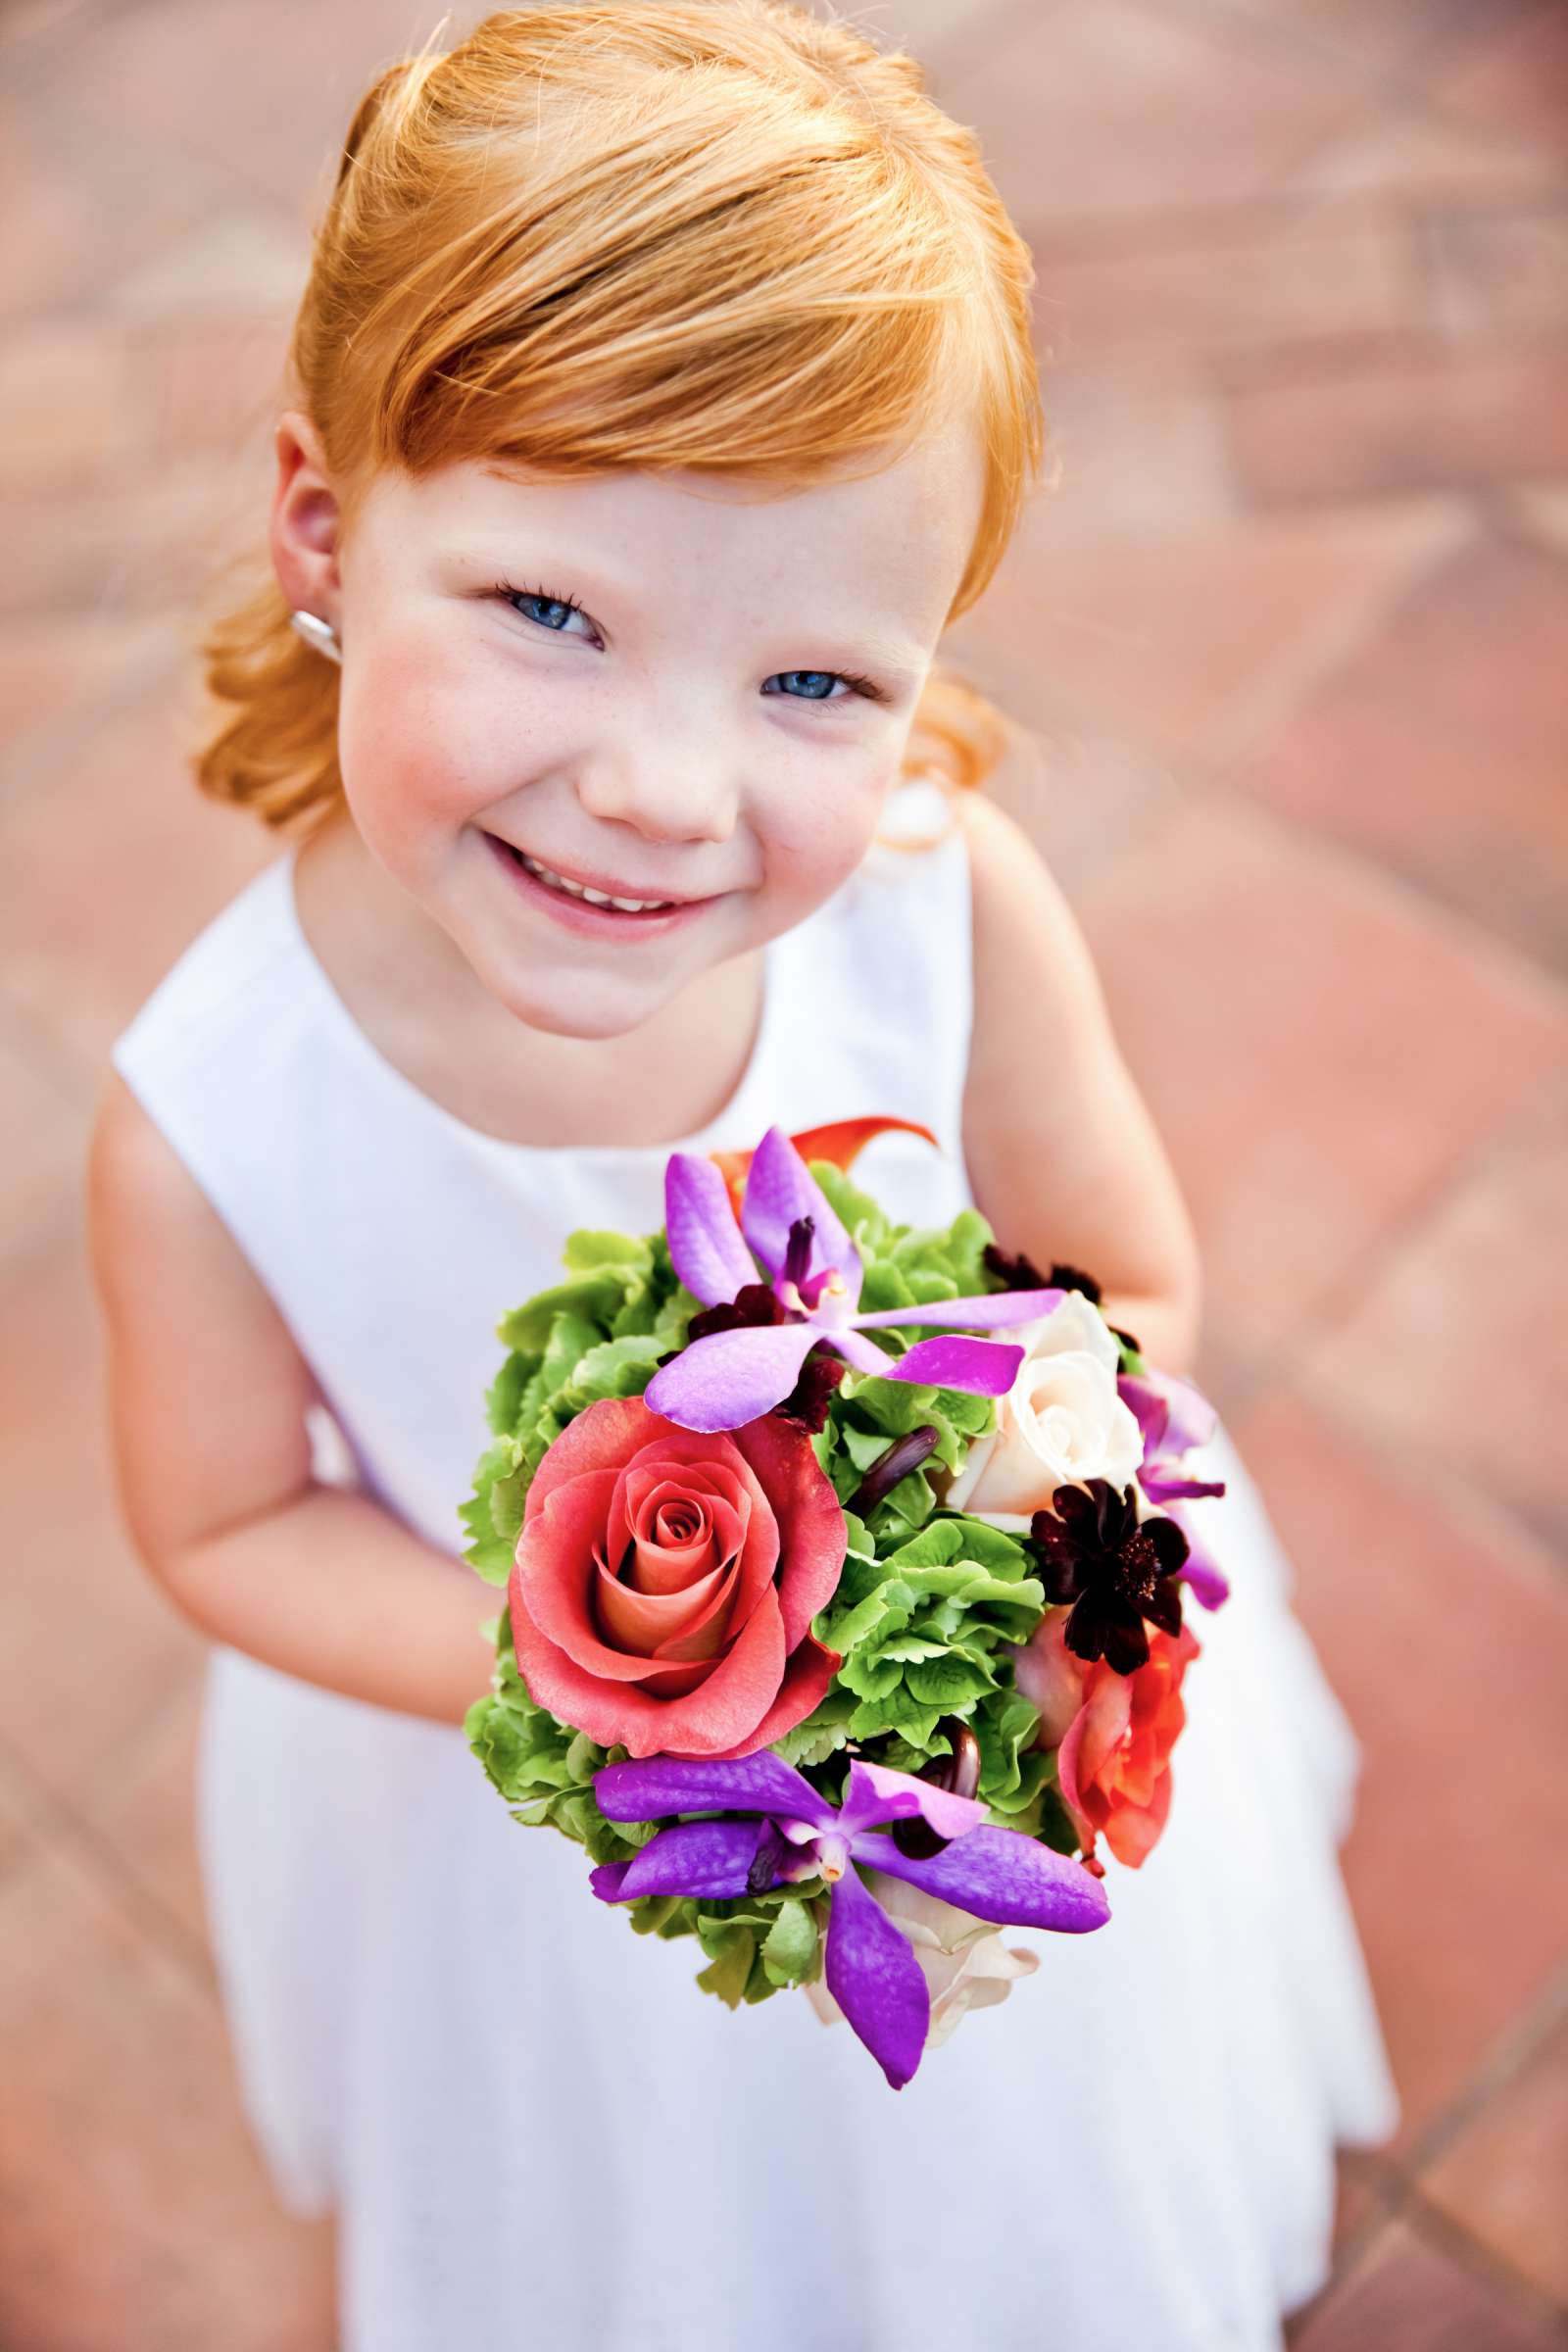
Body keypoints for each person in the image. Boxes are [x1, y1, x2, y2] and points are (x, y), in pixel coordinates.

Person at [86, 6, 1398, 2347]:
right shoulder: (214, 1120)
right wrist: (598, 1684)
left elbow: (1127, 1280)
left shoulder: (933, 903)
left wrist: (967, 1524)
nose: (669, 793)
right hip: (562, 1830)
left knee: (1014, 2189)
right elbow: (216, 1525)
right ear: (320, 521)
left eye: (811, 684)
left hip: (920, 1768)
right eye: (549, 614)